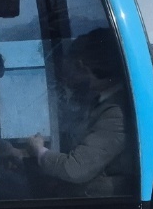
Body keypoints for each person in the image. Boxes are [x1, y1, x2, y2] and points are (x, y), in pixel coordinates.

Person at [28, 27, 134, 197]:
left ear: (83, 66)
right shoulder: (100, 99)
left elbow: (76, 169)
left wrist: (39, 151)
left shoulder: (116, 112)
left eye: (73, 68)